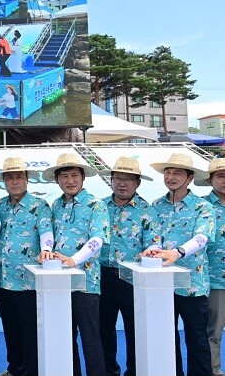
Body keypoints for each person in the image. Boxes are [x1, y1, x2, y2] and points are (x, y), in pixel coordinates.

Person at [143, 153, 215, 376]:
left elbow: (202, 237)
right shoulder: (156, 205)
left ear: (190, 178)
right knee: (166, 339)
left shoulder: (203, 207)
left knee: (197, 340)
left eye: (177, 173)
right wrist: (151, 250)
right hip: (162, 284)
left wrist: (178, 252)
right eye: (168, 172)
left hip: (193, 285)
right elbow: (153, 236)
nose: (171, 177)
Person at [42, 153, 109, 376]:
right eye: (64, 176)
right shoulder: (56, 205)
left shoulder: (96, 205)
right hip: (58, 282)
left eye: (74, 175)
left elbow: (97, 239)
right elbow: (49, 235)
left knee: (91, 339)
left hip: (86, 282)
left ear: (83, 178)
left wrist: (74, 260)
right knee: (64, 337)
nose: (69, 180)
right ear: (57, 180)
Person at [0, 157, 54, 376]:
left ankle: (32, 371)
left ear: (27, 179)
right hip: (4, 280)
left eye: (19, 177)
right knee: (10, 329)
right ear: (4, 181)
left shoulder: (39, 205)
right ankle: (14, 369)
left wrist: (46, 248)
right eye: (10, 177)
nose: (15, 181)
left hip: (28, 282)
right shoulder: (0, 205)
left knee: (30, 332)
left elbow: (46, 231)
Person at [98, 157, 159, 376]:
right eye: (118, 178)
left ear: (137, 183)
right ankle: (109, 371)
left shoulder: (147, 211)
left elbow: (154, 242)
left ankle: (134, 371)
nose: (122, 184)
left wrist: (150, 251)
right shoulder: (99, 206)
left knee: (135, 330)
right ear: (111, 180)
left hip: (132, 278)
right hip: (101, 276)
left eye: (128, 179)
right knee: (103, 329)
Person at [196, 158, 225, 376]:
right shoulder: (201, 207)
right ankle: (214, 372)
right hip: (215, 280)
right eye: (221, 176)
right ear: (209, 180)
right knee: (213, 333)